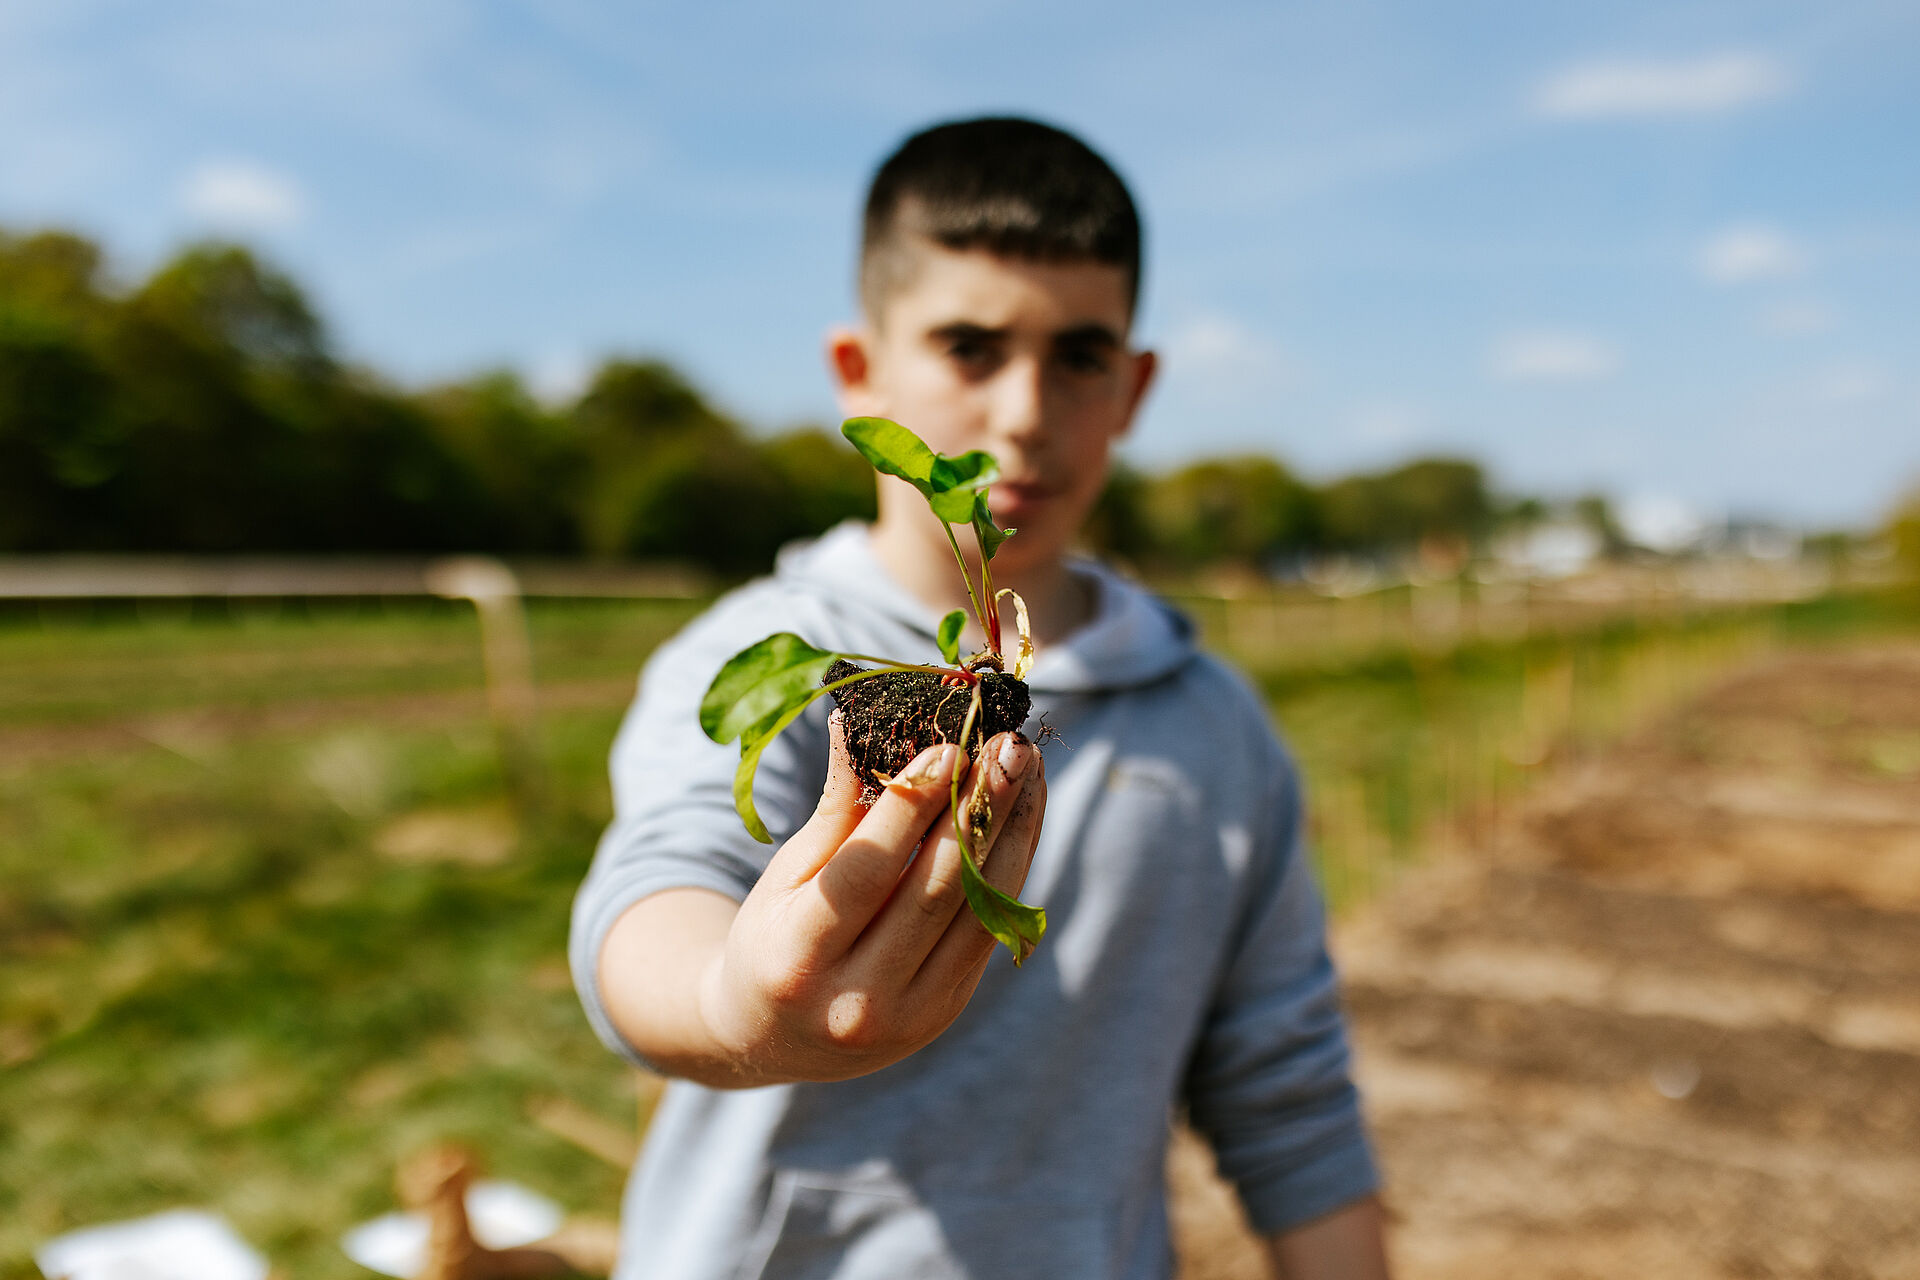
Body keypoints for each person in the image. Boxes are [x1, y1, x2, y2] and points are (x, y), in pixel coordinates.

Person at [571, 116, 1389, 1279]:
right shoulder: (778, 652)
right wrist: (740, 1000)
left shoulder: (1215, 726)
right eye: (969, 346)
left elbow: (1289, 1087)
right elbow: (658, 885)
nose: (1023, 413)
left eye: (1080, 356)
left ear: (1135, 385)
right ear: (859, 371)